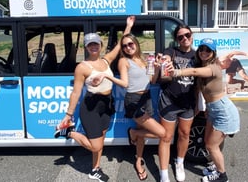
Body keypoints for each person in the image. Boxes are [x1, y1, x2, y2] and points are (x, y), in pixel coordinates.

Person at [54, 16, 135, 182]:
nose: (93, 47)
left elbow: (121, 44)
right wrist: (68, 116)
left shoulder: (106, 61)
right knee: (96, 145)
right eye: (90, 44)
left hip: (107, 104)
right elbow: (76, 93)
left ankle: (95, 169)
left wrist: (128, 26)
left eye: (95, 44)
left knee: (101, 141)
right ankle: (68, 132)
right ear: (86, 47)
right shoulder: (82, 67)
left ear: (100, 45)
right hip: (90, 106)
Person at [170, 38, 240, 182]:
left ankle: (222, 176)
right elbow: (199, 90)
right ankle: (216, 166)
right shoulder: (204, 66)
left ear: (213, 52)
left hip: (223, 111)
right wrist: (198, 107)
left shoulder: (214, 67)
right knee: (209, 142)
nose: (204, 52)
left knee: (211, 145)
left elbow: (194, 71)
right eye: (202, 49)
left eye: (208, 50)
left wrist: (176, 72)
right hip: (212, 109)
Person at [98, 33, 166, 181]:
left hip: (146, 98)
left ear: (136, 43)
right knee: (162, 133)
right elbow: (125, 83)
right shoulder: (123, 61)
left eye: (130, 44)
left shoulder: (143, 59)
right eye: (125, 45)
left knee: (144, 131)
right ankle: (133, 133)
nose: (128, 47)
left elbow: (152, 81)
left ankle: (138, 160)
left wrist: (157, 68)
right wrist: (108, 76)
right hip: (134, 101)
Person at [157, 24, 196, 182]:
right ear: (176, 40)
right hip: (169, 101)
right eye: (180, 37)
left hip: (188, 103)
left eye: (187, 35)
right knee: (166, 137)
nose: (184, 38)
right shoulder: (171, 51)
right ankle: (164, 173)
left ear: (191, 34)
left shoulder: (198, 55)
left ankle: (179, 162)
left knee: (185, 134)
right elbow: (165, 67)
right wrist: (165, 62)